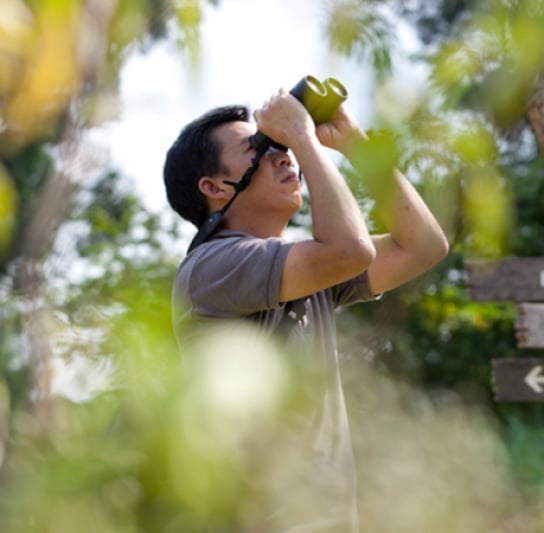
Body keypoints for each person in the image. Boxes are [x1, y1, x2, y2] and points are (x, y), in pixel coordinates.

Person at [163, 85, 449, 532]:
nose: (284, 156)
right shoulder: (211, 270)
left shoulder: (304, 271)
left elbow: (424, 246)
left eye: (281, 146)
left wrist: (352, 140)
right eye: (259, 147)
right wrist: (302, 136)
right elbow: (351, 250)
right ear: (214, 187)